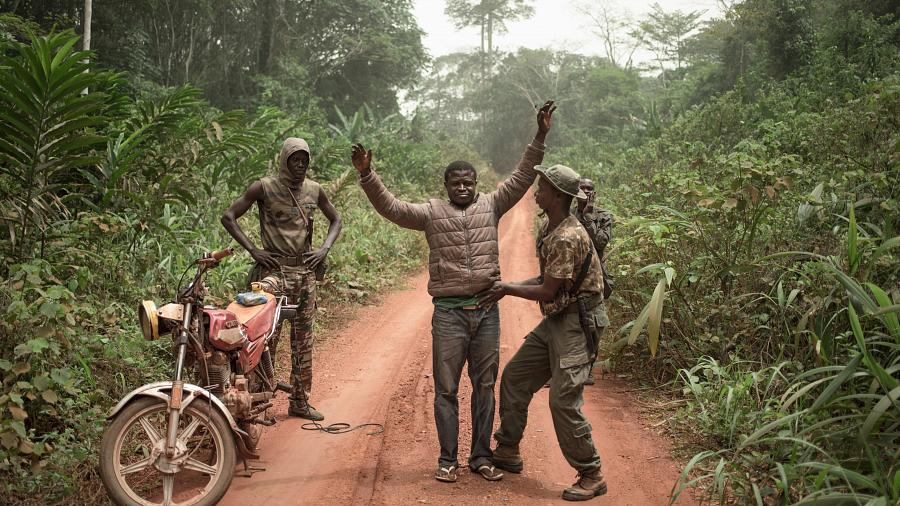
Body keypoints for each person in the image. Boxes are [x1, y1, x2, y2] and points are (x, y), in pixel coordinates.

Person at [350, 101, 556, 484]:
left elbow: (523, 175)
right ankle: (447, 459)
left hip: (487, 313)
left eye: (468, 182)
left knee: (485, 387)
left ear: (476, 184)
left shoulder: (492, 205)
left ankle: (481, 456)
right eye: (456, 182)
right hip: (448, 315)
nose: (462, 187)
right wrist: (367, 175)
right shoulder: (431, 213)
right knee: (446, 390)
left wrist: (540, 135)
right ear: (446, 186)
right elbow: (392, 208)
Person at [479, 164, 609, 501]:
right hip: (558, 319)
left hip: (577, 325)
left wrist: (506, 288)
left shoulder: (567, 236)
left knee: (563, 400)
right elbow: (545, 281)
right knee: (515, 377)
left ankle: (591, 473)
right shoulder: (551, 227)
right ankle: (508, 448)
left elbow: (548, 290)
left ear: (558, 196)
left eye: (543, 188)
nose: (537, 192)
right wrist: (506, 286)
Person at [221, 137, 342, 422]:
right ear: (284, 160)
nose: (300, 165)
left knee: (303, 340)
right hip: (273, 275)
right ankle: (260, 403)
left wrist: (324, 249)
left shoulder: (314, 190)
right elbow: (228, 217)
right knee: (265, 340)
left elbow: (336, 219)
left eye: (304, 160)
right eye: (295, 160)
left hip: (305, 275)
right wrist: (254, 250)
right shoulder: (264, 187)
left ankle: (300, 402)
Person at [574, 177, 613, 385]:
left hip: (595, 278)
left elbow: (600, 243)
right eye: (582, 188)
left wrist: (588, 217)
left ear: (594, 192)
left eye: (589, 188)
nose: (586, 191)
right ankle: (562, 370)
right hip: (570, 277)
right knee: (566, 322)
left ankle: (588, 369)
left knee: (594, 324)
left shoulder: (604, 216)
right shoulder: (566, 215)